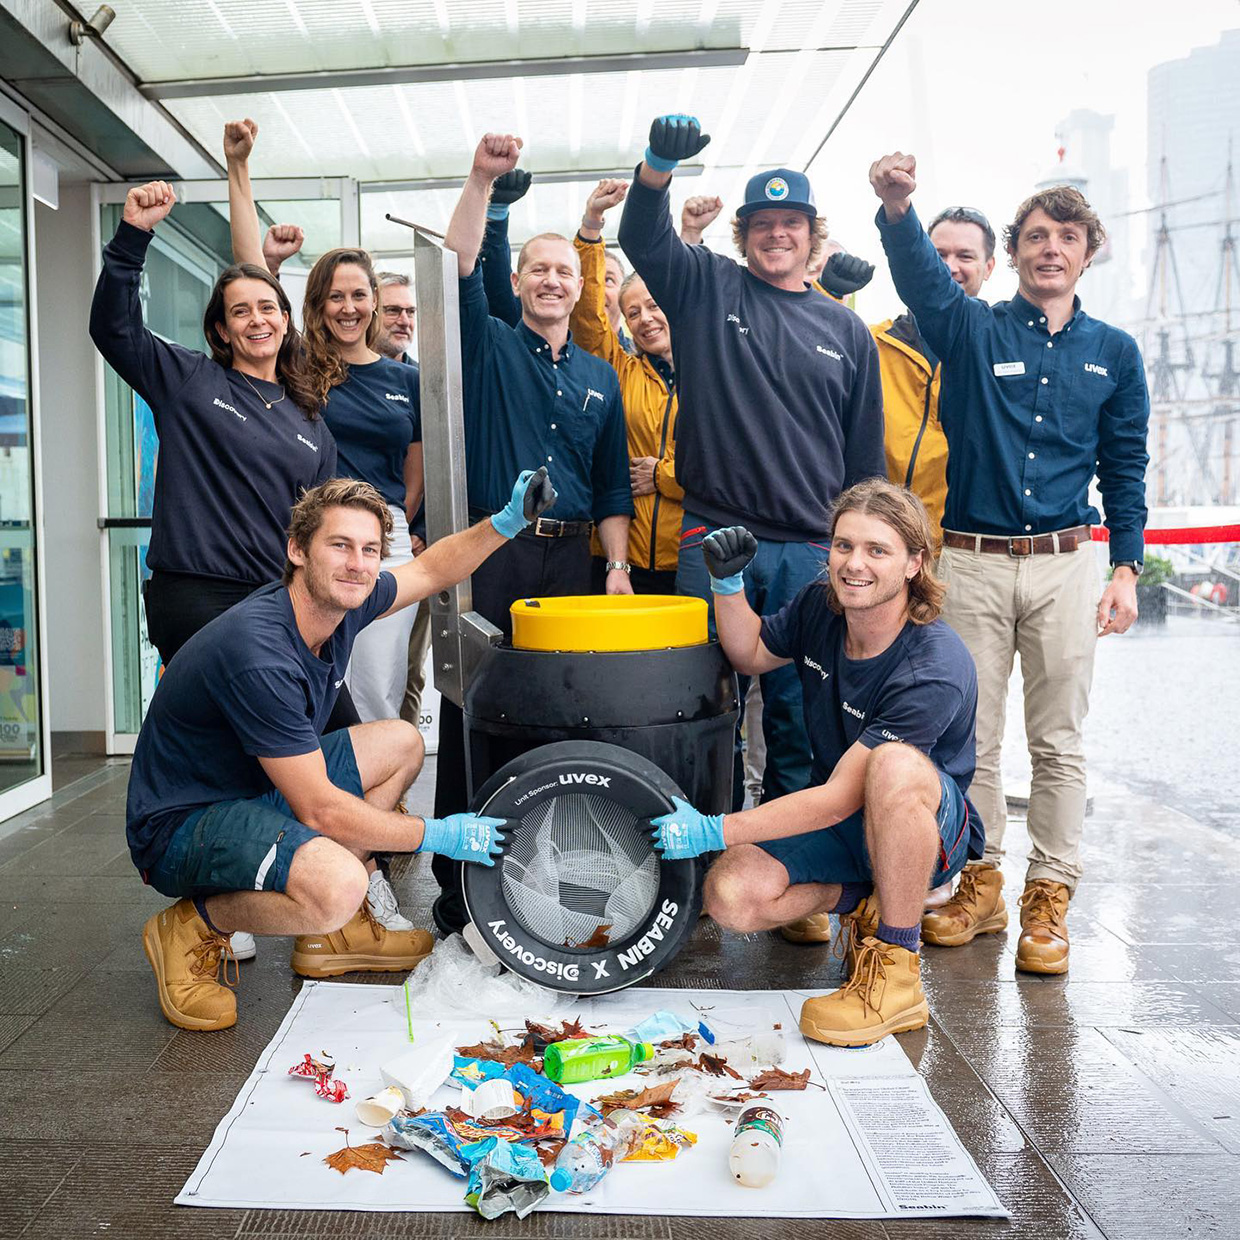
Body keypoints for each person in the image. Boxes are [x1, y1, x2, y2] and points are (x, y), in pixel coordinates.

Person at [132, 468, 558, 1032]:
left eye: (369, 550)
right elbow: (322, 811)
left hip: (252, 792)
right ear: (297, 551)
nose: (358, 563)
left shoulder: (342, 603)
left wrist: (506, 523)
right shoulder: (260, 652)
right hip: (183, 824)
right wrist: (442, 834)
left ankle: (334, 927)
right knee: (339, 883)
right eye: (339, 545)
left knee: (402, 742)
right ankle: (195, 924)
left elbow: (431, 568)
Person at [870, 152, 1149, 974]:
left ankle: (1050, 897)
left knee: (1059, 742)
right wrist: (896, 209)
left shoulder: (1116, 353)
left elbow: (1124, 465)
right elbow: (924, 281)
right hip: (975, 561)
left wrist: (1126, 568)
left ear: (1087, 253)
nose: (1050, 249)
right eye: (1035, 236)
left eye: (1066, 237)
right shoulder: (972, 328)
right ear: (1014, 254)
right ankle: (980, 883)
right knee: (974, 739)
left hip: (1067, 563)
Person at [649, 479, 983, 1045]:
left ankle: (898, 968)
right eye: (844, 545)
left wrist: (716, 829)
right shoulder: (819, 607)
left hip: (924, 827)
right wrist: (726, 584)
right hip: (846, 823)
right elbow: (750, 652)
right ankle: (865, 899)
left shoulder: (934, 662)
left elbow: (837, 796)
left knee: (894, 767)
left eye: (878, 550)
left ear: (913, 564)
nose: (855, 564)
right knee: (730, 894)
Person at [619, 114, 885, 806]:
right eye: (762, 223)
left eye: (791, 223)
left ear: (811, 235)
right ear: (745, 236)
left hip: (807, 550)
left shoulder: (847, 331)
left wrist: (861, 554)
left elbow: (865, 467)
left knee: (801, 716)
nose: (777, 234)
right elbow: (641, 237)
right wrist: (655, 169)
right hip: (712, 537)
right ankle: (698, 858)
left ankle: (787, 863)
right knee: (700, 705)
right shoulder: (707, 287)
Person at [431, 132, 634, 934]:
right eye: (539, 269)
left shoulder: (598, 376)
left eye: (566, 271)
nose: (553, 280)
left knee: (557, 708)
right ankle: (457, 876)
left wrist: (615, 566)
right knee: (474, 702)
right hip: (498, 553)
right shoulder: (485, 345)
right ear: (517, 281)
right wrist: (482, 179)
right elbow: (456, 268)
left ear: (581, 286)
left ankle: (541, 861)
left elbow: (615, 482)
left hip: (572, 559)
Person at [89, 181, 334, 671]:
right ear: (222, 330)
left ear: (286, 321)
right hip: (196, 597)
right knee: (236, 735)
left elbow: (318, 526)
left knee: (321, 726)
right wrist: (133, 234)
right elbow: (114, 328)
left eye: (267, 308)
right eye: (239, 311)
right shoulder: (190, 380)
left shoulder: (310, 421)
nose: (256, 320)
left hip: (276, 598)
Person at [571, 178, 682, 593]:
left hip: (689, 555)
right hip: (620, 557)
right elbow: (587, 317)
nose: (645, 319)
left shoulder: (713, 376)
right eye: (632, 313)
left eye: (653, 306)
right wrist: (592, 226)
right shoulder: (620, 370)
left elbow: (728, 470)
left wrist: (663, 477)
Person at [872, 206, 996, 551]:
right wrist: (828, 292)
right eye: (938, 254)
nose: (949, 267)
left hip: (963, 549)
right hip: (876, 541)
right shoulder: (872, 344)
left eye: (965, 256)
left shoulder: (1001, 350)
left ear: (989, 267)